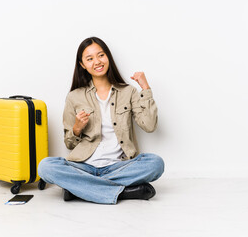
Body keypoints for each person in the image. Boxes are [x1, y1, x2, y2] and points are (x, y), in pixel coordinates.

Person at [38, 37, 164, 204]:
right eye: (89, 59)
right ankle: (123, 193)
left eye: (101, 55)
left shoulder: (128, 92)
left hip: (119, 166)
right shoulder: (74, 96)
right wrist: (77, 128)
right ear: (82, 65)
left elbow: (149, 126)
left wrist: (145, 89)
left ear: (108, 57)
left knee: (156, 163)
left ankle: (79, 191)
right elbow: (69, 144)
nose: (97, 61)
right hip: (84, 167)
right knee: (45, 166)